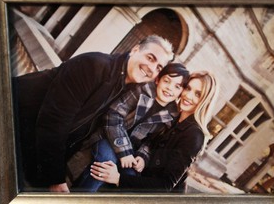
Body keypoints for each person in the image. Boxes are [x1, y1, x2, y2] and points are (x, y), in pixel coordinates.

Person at [12, 35, 174, 192]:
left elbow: (82, 129)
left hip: (32, 147)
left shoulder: (129, 90)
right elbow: (54, 120)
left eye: (159, 67)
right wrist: (55, 178)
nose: (152, 68)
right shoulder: (94, 66)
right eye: (150, 58)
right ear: (135, 49)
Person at [89, 71, 219, 192]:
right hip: (139, 178)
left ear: (205, 101)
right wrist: (143, 157)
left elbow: (165, 185)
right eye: (188, 88)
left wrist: (118, 179)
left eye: (197, 94)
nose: (188, 95)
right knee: (105, 163)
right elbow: (151, 141)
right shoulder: (173, 117)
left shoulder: (194, 135)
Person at [74, 63, 189, 192]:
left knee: (131, 176)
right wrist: (124, 151)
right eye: (166, 81)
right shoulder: (141, 91)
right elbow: (113, 115)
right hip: (109, 136)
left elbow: (152, 141)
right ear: (157, 80)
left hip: (133, 151)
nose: (169, 88)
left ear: (181, 92)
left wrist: (143, 156)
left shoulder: (171, 115)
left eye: (177, 86)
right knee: (107, 162)